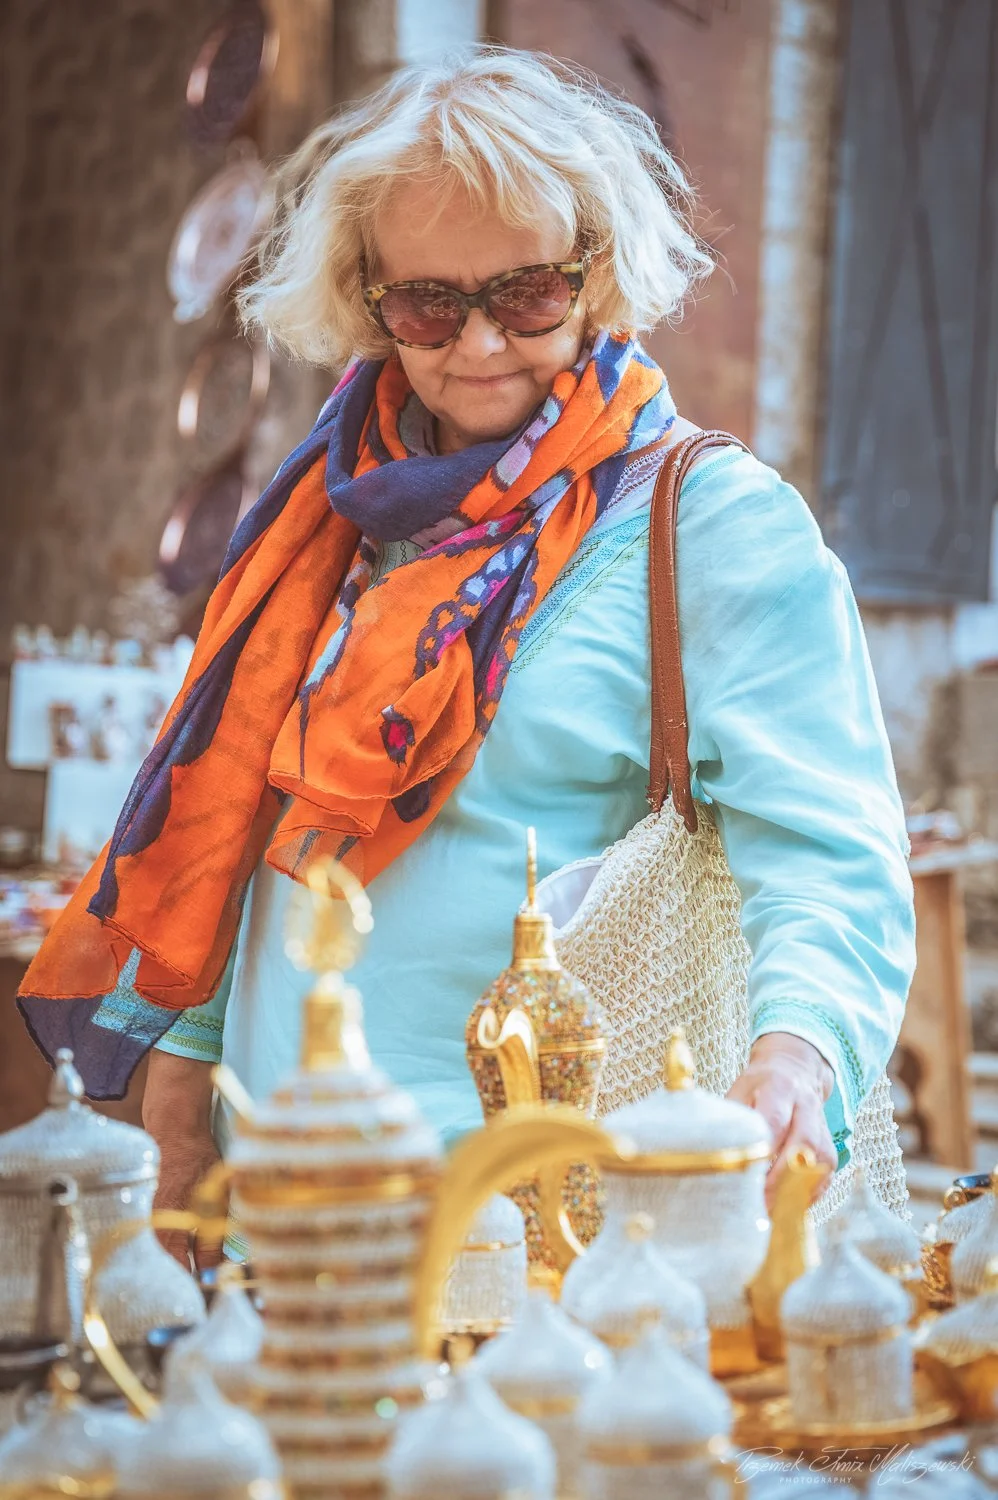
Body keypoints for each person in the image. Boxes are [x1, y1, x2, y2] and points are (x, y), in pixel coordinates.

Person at [18, 47, 915, 1258]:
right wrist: (184, 1074)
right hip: (285, 1204)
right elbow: (249, 823)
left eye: (527, 293)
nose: (480, 341)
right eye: (430, 303)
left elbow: (830, 853)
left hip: (543, 1239)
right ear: (367, 297)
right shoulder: (332, 521)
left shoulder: (709, 524)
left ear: (597, 278)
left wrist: (794, 1062)